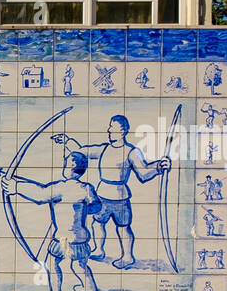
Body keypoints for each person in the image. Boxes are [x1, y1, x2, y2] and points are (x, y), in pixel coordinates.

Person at [52, 115, 170, 269]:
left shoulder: (132, 152)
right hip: (102, 196)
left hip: (120, 198)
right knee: (98, 224)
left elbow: (144, 172)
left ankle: (127, 257)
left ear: (122, 131)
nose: (108, 131)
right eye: (109, 127)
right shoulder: (104, 149)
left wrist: (159, 166)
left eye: (112, 128)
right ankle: (99, 250)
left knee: (123, 227)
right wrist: (67, 141)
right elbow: (83, 151)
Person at [2, 150, 100, 291]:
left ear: (72, 165)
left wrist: (16, 188)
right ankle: (90, 288)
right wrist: (82, 206)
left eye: (67, 162)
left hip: (64, 238)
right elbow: (96, 207)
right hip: (81, 236)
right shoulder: (86, 188)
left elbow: (41, 195)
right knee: (81, 264)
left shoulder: (63, 187)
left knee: (55, 264)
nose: (64, 164)